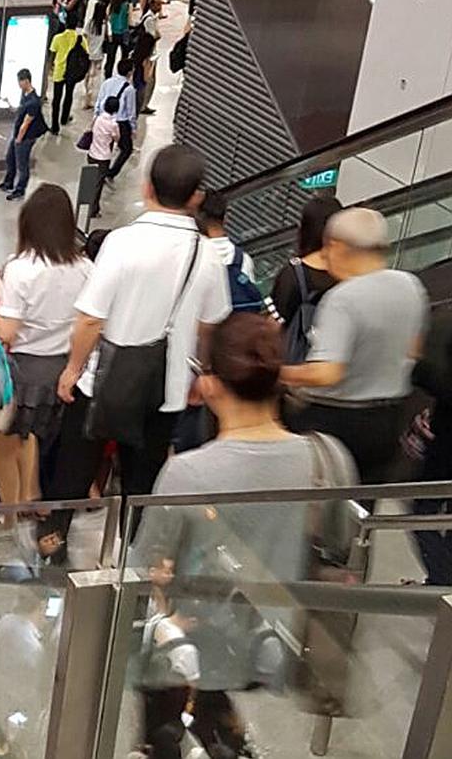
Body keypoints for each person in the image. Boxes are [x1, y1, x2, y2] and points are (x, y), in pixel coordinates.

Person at [134, 314, 356, 759]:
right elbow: (339, 544)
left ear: (210, 386)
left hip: (205, 643)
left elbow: (148, 567)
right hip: (288, 641)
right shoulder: (330, 458)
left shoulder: (188, 474)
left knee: (156, 661)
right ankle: (223, 735)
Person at [41, 145, 231, 556]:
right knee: (142, 482)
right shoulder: (207, 255)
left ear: (147, 188)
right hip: (165, 388)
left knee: (73, 469)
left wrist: (72, 369)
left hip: (103, 381)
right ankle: (135, 560)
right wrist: (200, 371)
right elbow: (211, 324)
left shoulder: (123, 243)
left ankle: (53, 541)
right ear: (196, 196)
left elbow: (91, 318)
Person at [282, 207, 427, 483]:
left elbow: (326, 373)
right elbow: (414, 350)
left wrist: (279, 373)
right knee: (364, 498)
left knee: (320, 498)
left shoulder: (343, 298)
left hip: (335, 422)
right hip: (390, 419)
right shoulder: (411, 286)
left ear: (337, 246)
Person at [0, 186, 93, 505]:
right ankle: (34, 495)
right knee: (40, 438)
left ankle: (11, 513)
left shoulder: (20, 268)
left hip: (22, 371)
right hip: (66, 369)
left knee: (4, 446)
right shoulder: (85, 268)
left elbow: (7, 331)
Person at [270, 195, 343, 361]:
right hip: (339, 363)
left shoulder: (293, 273)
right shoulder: (350, 272)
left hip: (299, 364)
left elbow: (273, 325)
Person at [0, 69, 45, 201]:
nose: (18, 84)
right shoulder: (25, 96)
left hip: (25, 137)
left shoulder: (34, 102)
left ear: (26, 81)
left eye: (20, 81)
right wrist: (9, 104)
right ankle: (8, 183)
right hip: (18, 134)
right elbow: (20, 111)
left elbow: (26, 123)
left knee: (22, 164)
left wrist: (18, 139)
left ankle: (20, 190)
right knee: (10, 158)